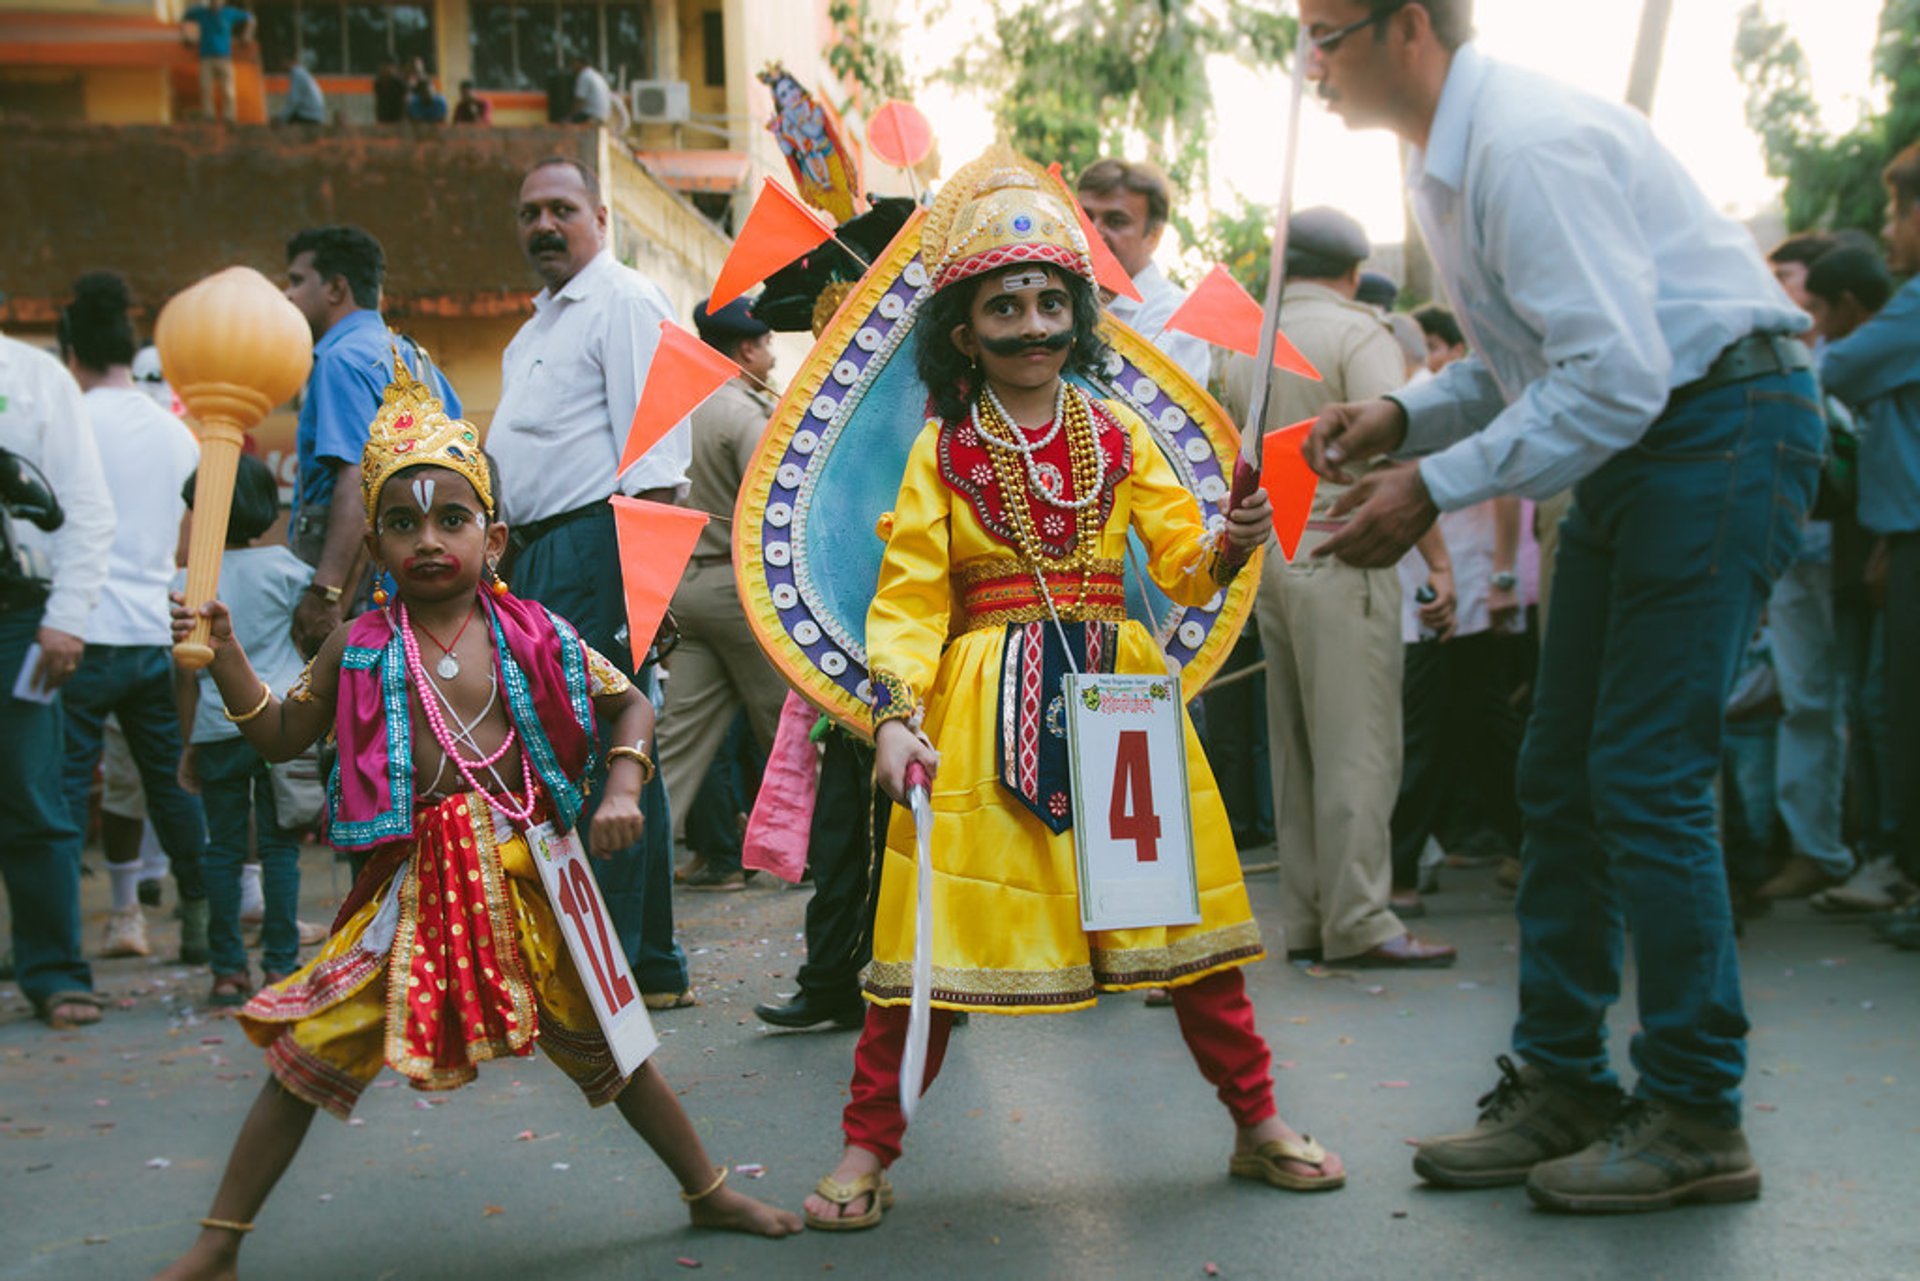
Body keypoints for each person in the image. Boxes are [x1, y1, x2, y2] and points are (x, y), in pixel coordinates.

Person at [1297, 0, 1822, 1212]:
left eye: (1326, 32)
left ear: (1409, 24)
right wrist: (1408, 418)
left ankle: (1695, 1108)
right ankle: (1565, 1083)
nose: (1310, 64)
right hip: (1651, 437)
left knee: (1642, 769)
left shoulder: (1520, 143)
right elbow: (1533, 360)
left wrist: (1432, 483)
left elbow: (1619, 369)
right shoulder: (1449, 159)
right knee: (1560, 771)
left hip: (1721, 423)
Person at [153, 364, 801, 1281]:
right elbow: (276, 733)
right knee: (307, 1051)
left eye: (451, 519)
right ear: (373, 546)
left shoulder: (535, 632)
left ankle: (709, 1189)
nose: (429, 539)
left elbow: (631, 707)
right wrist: (222, 658)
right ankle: (219, 1241)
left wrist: (623, 789)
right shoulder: (361, 645)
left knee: (616, 1046)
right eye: (403, 522)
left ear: (493, 537)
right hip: (408, 892)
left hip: (529, 876)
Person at [799, 147, 1343, 1233]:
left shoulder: (1117, 431)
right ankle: (867, 1147)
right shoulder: (940, 452)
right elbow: (908, 599)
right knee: (933, 939)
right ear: (965, 333)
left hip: (1121, 700)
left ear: (1077, 319)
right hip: (978, 707)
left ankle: (1257, 1122)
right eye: (1007, 306)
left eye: (1053, 301)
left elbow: (1178, 566)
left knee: (1185, 932)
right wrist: (896, 719)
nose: (1034, 324)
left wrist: (1228, 545)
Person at [1222, 205, 1456, 969]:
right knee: (1357, 746)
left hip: (1275, 556)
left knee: (1294, 749)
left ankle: (1311, 915)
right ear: (1354, 271)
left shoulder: (1245, 342)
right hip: (1347, 543)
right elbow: (1397, 456)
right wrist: (1441, 563)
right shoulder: (1361, 334)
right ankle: (1360, 916)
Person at [490, 156, 691, 1007]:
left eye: (561, 208)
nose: (544, 225)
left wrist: (647, 588)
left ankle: (625, 962)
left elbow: (658, 462)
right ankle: (634, 962)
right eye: (531, 211)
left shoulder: (624, 301)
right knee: (576, 749)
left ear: (599, 216)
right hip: (534, 555)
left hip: (601, 544)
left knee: (612, 743)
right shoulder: (528, 333)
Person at [56, 272, 211, 966]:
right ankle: (203, 922)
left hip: (77, 634)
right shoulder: (174, 433)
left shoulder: (66, 421)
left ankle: (52, 933)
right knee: (171, 785)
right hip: (155, 634)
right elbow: (185, 539)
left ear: (71, 350)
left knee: (53, 793)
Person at [0, 327, 116, 1028]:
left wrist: (68, 615)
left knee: (34, 794)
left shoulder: (32, 374)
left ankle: (53, 971)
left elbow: (86, 506)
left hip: (17, 614)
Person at [1821, 142, 1920, 934]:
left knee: (1904, 709)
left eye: (1895, 212)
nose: (1889, 232)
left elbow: (1837, 372)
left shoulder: (1914, 308)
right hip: (1904, 531)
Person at [657, 298, 789, 892]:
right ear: (745, 351)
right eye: (765, 346)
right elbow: (775, 505)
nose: (772, 356)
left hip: (683, 587)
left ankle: (636, 851)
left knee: (674, 745)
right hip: (741, 592)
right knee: (788, 728)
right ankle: (809, 852)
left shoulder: (676, 410)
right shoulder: (745, 413)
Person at [1740, 234, 1856, 902]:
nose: (1773, 284)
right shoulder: (1785, 357)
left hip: (1848, 550)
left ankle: (1839, 845)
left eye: (1784, 273)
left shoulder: (1847, 357)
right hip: (1797, 555)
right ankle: (1817, 846)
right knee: (1809, 700)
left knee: (1853, 702)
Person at [283, 225, 460, 657]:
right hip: (421, 582)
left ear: (336, 288)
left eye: (296, 281)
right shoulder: (414, 358)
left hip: (361, 595)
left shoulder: (339, 360)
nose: (286, 296)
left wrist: (327, 595)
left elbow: (357, 479)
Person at [175, 455, 314, 1006]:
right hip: (277, 719)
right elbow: (309, 641)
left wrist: (188, 745)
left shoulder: (189, 582)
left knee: (222, 849)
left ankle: (226, 969)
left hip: (214, 726)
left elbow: (183, 675)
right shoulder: (288, 569)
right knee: (280, 849)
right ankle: (279, 966)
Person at [1075, 158, 1213, 384]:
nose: (1094, 233)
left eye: (1115, 221)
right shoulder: (1060, 296)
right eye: (1086, 218)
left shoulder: (1173, 315)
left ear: (1153, 236)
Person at [179, 0, 254, 123]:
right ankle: (208, 117)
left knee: (228, 90)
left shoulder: (229, 13)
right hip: (206, 57)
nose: (215, 3)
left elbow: (250, 18)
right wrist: (186, 35)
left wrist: (247, 35)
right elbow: (184, 17)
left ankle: (229, 117)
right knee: (206, 88)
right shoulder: (201, 13)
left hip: (224, 57)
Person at [282, 53, 325, 126]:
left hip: (308, 116)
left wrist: (281, 118)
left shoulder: (297, 74)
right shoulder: (303, 73)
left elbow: (294, 101)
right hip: (317, 115)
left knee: (283, 124)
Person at [570, 55, 613, 125]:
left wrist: (570, 117)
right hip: (604, 115)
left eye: (574, 63)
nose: (572, 66)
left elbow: (579, 100)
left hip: (592, 116)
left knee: (564, 124)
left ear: (580, 63)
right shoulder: (596, 75)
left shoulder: (583, 76)